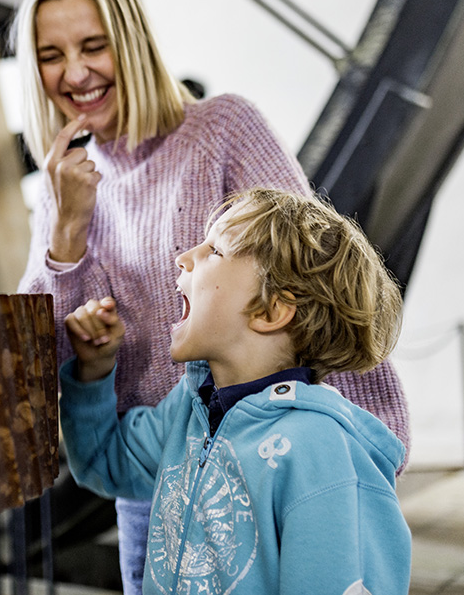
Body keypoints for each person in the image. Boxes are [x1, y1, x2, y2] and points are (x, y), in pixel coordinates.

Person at [13, 0, 410, 593]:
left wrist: (362, 447)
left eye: (94, 45)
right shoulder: (62, 191)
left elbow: (313, 280)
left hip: (274, 460)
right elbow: (43, 358)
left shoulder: (222, 129)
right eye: (52, 55)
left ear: (133, 42)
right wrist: (65, 235)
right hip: (159, 474)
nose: (77, 72)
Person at [59, 187, 412, 595]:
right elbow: (104, 460)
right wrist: (94, 371)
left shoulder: (318, 450)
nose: (184, 257)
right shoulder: (189, 413)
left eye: (215, 251)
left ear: (270, 311)